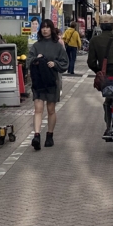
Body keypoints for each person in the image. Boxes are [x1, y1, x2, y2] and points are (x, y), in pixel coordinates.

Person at [26, 19, 69, 150]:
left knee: (51, 109)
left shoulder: (58, 46)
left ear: (51, 29)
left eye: (47, 27)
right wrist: (36, 59)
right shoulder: (36, 45)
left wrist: (54, 64)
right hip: (38, 80)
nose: (45, 30)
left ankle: (49, 135)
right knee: (38, 108)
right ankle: (37, 135)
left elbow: (65, 62)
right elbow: (28, 61)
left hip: (52, 80)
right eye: (43, 28)